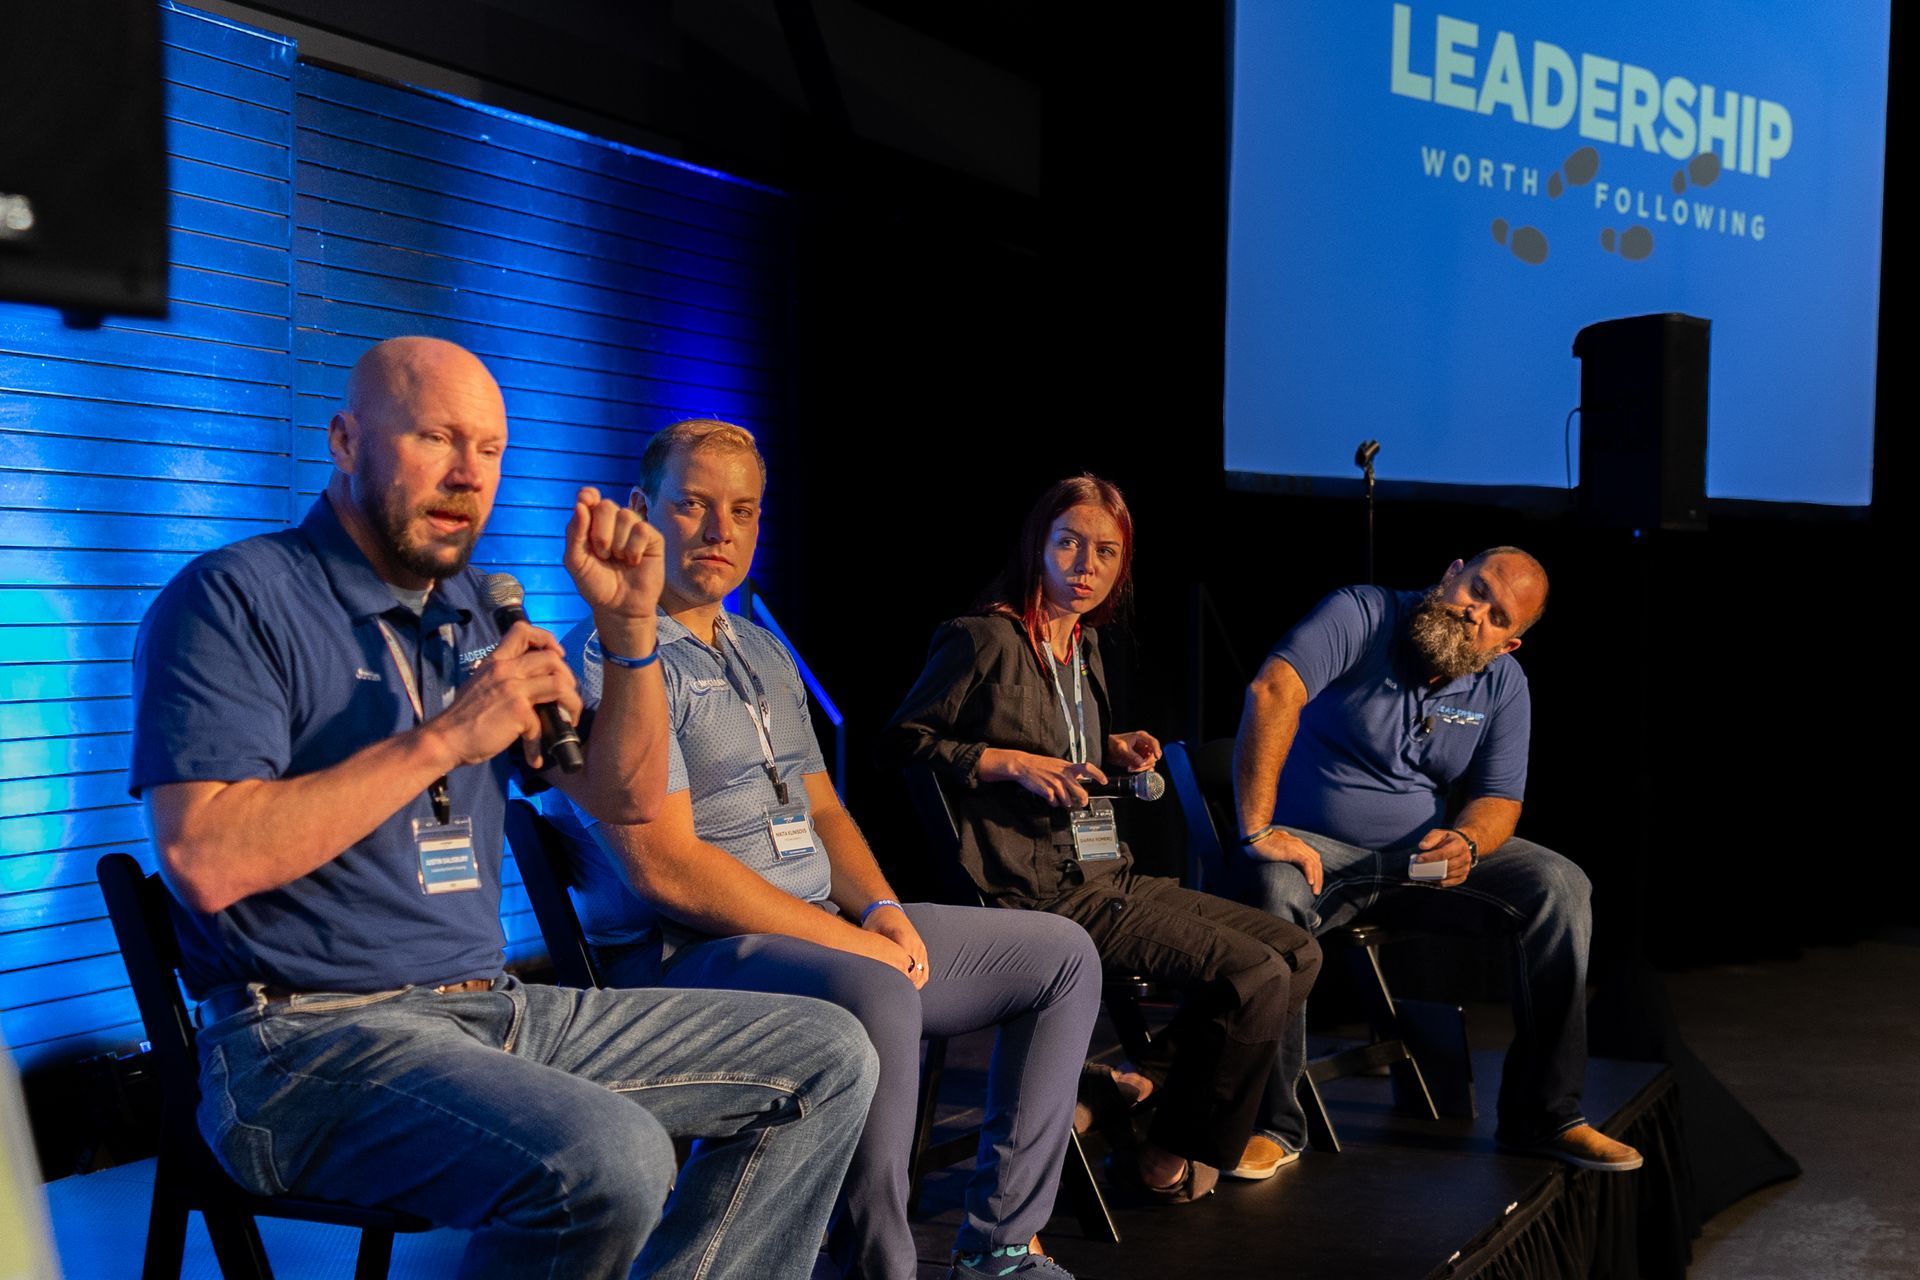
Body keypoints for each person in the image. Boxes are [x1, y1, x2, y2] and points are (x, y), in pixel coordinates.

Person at [128, 337, 880, 1280]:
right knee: (611, 1155)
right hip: (306, 1043)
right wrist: (447, 737)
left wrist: (631, 631)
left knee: (827, 1053)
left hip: (491, 1013)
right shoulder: (235, 599)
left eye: (488, 451)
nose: (465, 475)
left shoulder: (478, 611)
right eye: (436, 438)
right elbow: (204, 857)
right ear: (346, 440)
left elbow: (628, 799)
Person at [542, 420, 1101, 1280]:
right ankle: (875, 1264)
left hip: (818, 931)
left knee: (1062, 957)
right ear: (639, 510)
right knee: (874, 988)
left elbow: (824, 809)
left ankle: (999, 1245)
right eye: (691, 506)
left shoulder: (762, 648)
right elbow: (667, 868)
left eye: (743, 511)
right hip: (691, 956)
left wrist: (877, 908)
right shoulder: (609, 662)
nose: (720, 532)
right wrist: (853, 941)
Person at [885, 474, 1322, 1203]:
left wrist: (1108, 748)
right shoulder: (983, 638)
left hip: (1104, 875)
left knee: (1297, 950)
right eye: (1069, 543)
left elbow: (1048, 733)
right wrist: (1010, 764)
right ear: (1039, 547)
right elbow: (902, 745)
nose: (1086, 563)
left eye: (1106, 551)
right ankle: (1169, 1150)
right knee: (1256, 976)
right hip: (1035, 892)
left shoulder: (1082, 645)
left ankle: (1140, 1088)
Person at [1231, 548, 1642, 1171]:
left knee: (1561, 885)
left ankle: (1545, 1116)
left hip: (1416, 867)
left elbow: (1500, 799)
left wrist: (1468, 842)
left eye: (1498, 616)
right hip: (1315, 857)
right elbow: (1273, 688)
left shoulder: (1502, 684)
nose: (1476, 611)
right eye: (1476, 588)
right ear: (1450, 573)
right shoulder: (1362, 614)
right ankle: (1273, 1125)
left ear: (1508, 644)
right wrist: (1257, 827)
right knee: (1271, 887)